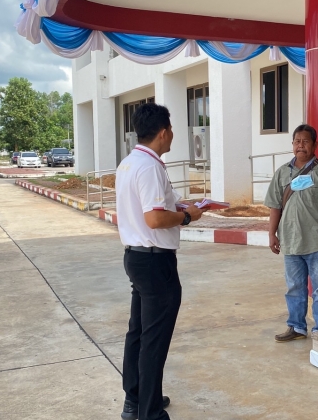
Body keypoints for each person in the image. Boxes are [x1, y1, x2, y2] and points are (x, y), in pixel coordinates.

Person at [115, 103, 205, 420]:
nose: (172, 135)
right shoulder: (150, 167)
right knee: (153, 341)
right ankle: (150, 412)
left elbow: (149, 206)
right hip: (155, 263)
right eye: (172, 130)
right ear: (164, 132)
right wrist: (187, 217)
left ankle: (135, 400)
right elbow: (154, 219)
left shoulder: (129, 163)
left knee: (138, 333)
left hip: (136, 257)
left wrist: (178, 205)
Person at [265, 124, 318, 342]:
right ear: (292, 145)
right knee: (294, 288)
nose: (301, 145)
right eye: (297, 141)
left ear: (315, 145)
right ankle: (297, 327)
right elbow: (274, 207)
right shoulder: (282, 173)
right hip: (290, 241)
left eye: (305, 141)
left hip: (317, 242)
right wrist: (272, 235)